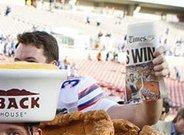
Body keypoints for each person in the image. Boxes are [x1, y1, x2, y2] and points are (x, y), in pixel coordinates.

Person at [14, 31, 169, 128]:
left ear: (53, 66)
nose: (20, 68)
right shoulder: (2, 91)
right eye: (16, 61)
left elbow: (142, 116)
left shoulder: (73, 91)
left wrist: (152, 80)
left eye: (30, 61)